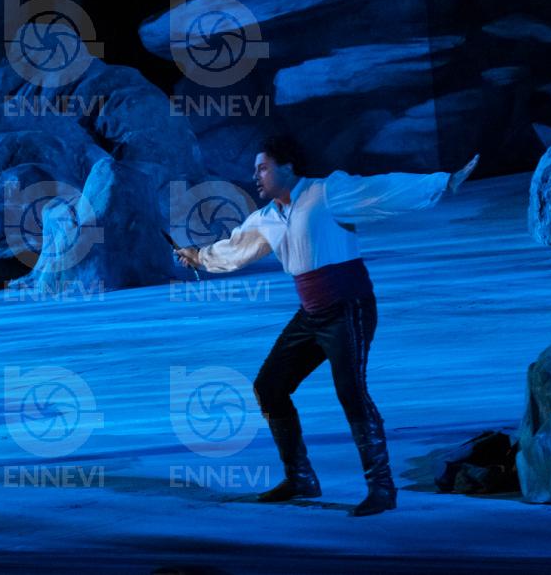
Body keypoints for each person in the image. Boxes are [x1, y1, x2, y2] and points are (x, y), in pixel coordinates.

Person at [176, 136, 479, 516]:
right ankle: (300, 477)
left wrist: (443, 181)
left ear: (288, 166)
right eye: (255, 169)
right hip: (311, 314)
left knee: (351, 392)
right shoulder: (267, 218)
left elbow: (381, 189)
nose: (256, 176)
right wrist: (198, 257)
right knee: (270, 387)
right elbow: (236, 248)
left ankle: (382, 487)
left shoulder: (326, 193)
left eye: (263, 168)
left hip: (348, 307)